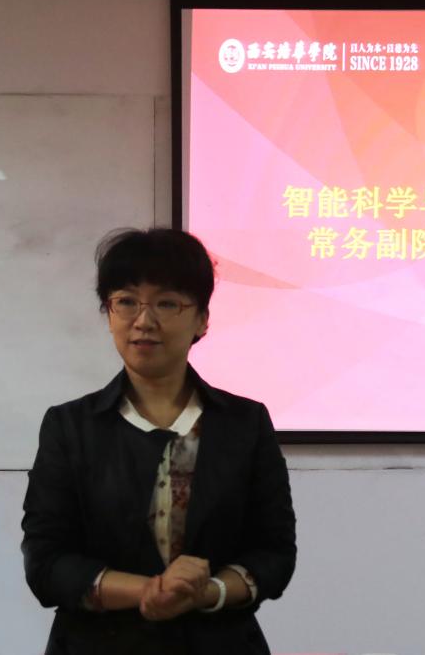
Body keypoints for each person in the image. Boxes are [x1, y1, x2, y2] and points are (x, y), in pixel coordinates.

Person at [21, 227, 296, 655]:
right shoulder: (71, 427)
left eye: (167, 303)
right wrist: (150, 592)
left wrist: (208, 592)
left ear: (202, 319)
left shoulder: (245, 424)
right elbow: (46, 563)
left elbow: (274, 554)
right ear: (108, 313)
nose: (143, 321)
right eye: (126, 301)